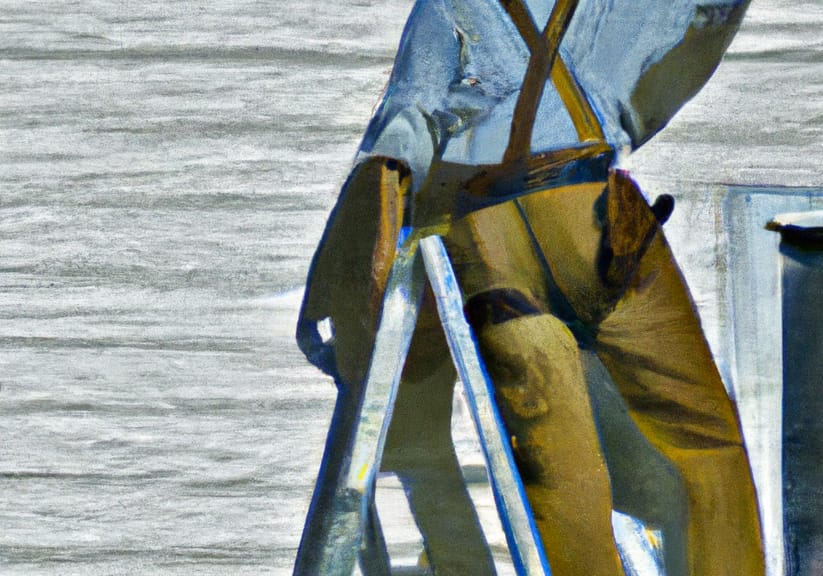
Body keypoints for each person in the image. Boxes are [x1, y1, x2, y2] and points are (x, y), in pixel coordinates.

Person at [297, 0, 765, 574]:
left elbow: (403, 132)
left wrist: (346, 273)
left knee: (560, 470)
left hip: (493, 240)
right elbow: (701, 31)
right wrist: (624, 119)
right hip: (596, 216)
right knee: (707, 443)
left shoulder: (448, 7)